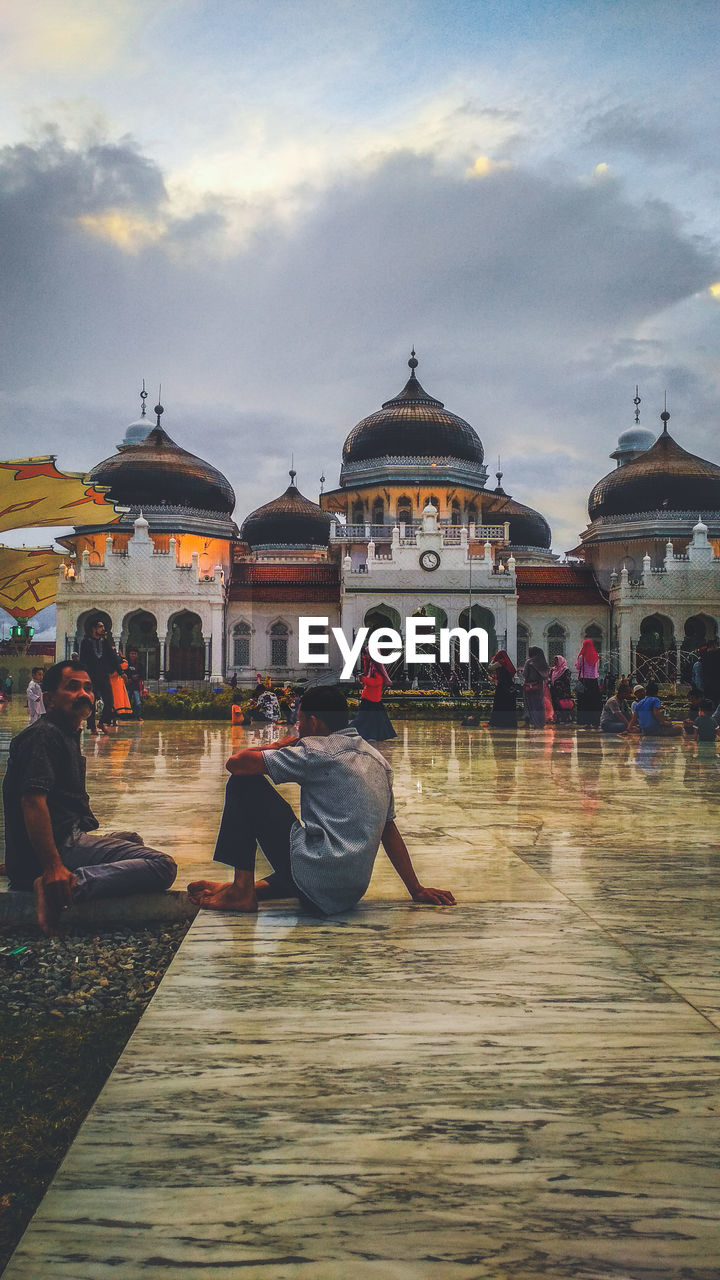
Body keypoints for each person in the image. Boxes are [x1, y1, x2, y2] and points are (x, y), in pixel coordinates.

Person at [188, 684, 454, 916]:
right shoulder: (378, 760)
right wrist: (416, 889)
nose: (298, 727)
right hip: (349, 892)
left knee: (244, 783)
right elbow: (389, 830)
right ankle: (253, 888)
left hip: (317, 883)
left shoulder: (316, 750)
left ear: (314, 723)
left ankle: (241, 891)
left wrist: (276, 746)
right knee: (316, 855)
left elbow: (237, 764)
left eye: (300, 721)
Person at [2, 661, 177, 935]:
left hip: (59, 840)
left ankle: (33, 867)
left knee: (131, 839)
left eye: (88, 688)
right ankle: (64, 885)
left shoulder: (64, 732)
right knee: (161, 866)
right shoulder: (43, 736)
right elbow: (32, 802)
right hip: (60, 846)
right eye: (72, 688)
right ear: (49, 699)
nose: (84, 694)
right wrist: (52, 866)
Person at [79, 619, 120, 735]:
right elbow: (83, 659)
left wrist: (121, 672)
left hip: (103, 675)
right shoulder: (86, 642)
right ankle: (92, 726)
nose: (102, 629)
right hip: (91, 676)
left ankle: (103, 722)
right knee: (91, 701)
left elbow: (113, 657)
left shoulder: (104, 642)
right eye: (100, 627)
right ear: (94, 628)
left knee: (109, 701)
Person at [350, 649, 397, 742]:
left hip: (370, 698)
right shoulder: (372, 666)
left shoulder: (375, 668)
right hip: (372, 697)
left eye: (364, 655)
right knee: (376, 720)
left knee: (363, 719)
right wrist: (363, 678)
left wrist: (363, 679)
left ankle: (349, 733)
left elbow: (377, 681)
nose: (362, 657)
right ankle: (372, 736)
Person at [574, 638, 602, 727]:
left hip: (584, 681)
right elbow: (597, 669)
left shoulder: (582, 657)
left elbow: (578, 667)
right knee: (594, 702)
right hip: (594, 682)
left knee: (584, 702)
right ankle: (595, 721)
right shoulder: (596, 657)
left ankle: (586, 722)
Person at [487, 650, 517, 728]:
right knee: (507, 704)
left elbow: (490, 667)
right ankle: (508, 723)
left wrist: (493, 660)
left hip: (502, 686)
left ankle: (498, 722)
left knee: (499, 703)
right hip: (509, 685)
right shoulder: (506, 663)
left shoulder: (501, 662)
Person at [522, 646, 549, 728]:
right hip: (539, 686)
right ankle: (540, 723)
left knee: (531, 704)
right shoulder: (543, 662)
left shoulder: (529, 662)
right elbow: (546, 675)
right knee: (539, 704)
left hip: (530, 686)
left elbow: (525, 674)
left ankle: (533, 722)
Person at [549, 655, 573, 724]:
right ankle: (557, 719)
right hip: (554, 691)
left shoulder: (565, 670)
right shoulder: (553, 670)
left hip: (562, 692)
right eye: (554, 661)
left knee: (563, 705)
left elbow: (567, 681)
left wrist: (558, 683)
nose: (554, 662)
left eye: (556, 661)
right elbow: (550, 678)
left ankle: (566, 719)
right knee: (555, 705)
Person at [700, 637, 720, 708]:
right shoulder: (716, 654)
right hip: (716, 684)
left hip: (707, 684)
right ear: (714, 646)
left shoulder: (703, 655)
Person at [125, 648, 145, 720]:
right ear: (129, 654)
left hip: (136, 686)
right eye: (132, 653)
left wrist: (138, 676)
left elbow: (143, 674)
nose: (133, 655)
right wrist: (129, 678)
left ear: (137, 655)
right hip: (128, 685)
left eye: (134, 654)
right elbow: (124, 673)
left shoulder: (140, 665)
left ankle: (138, 716)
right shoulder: (126, 664)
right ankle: (126, 716)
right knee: (127, 701)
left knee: (138, 702)